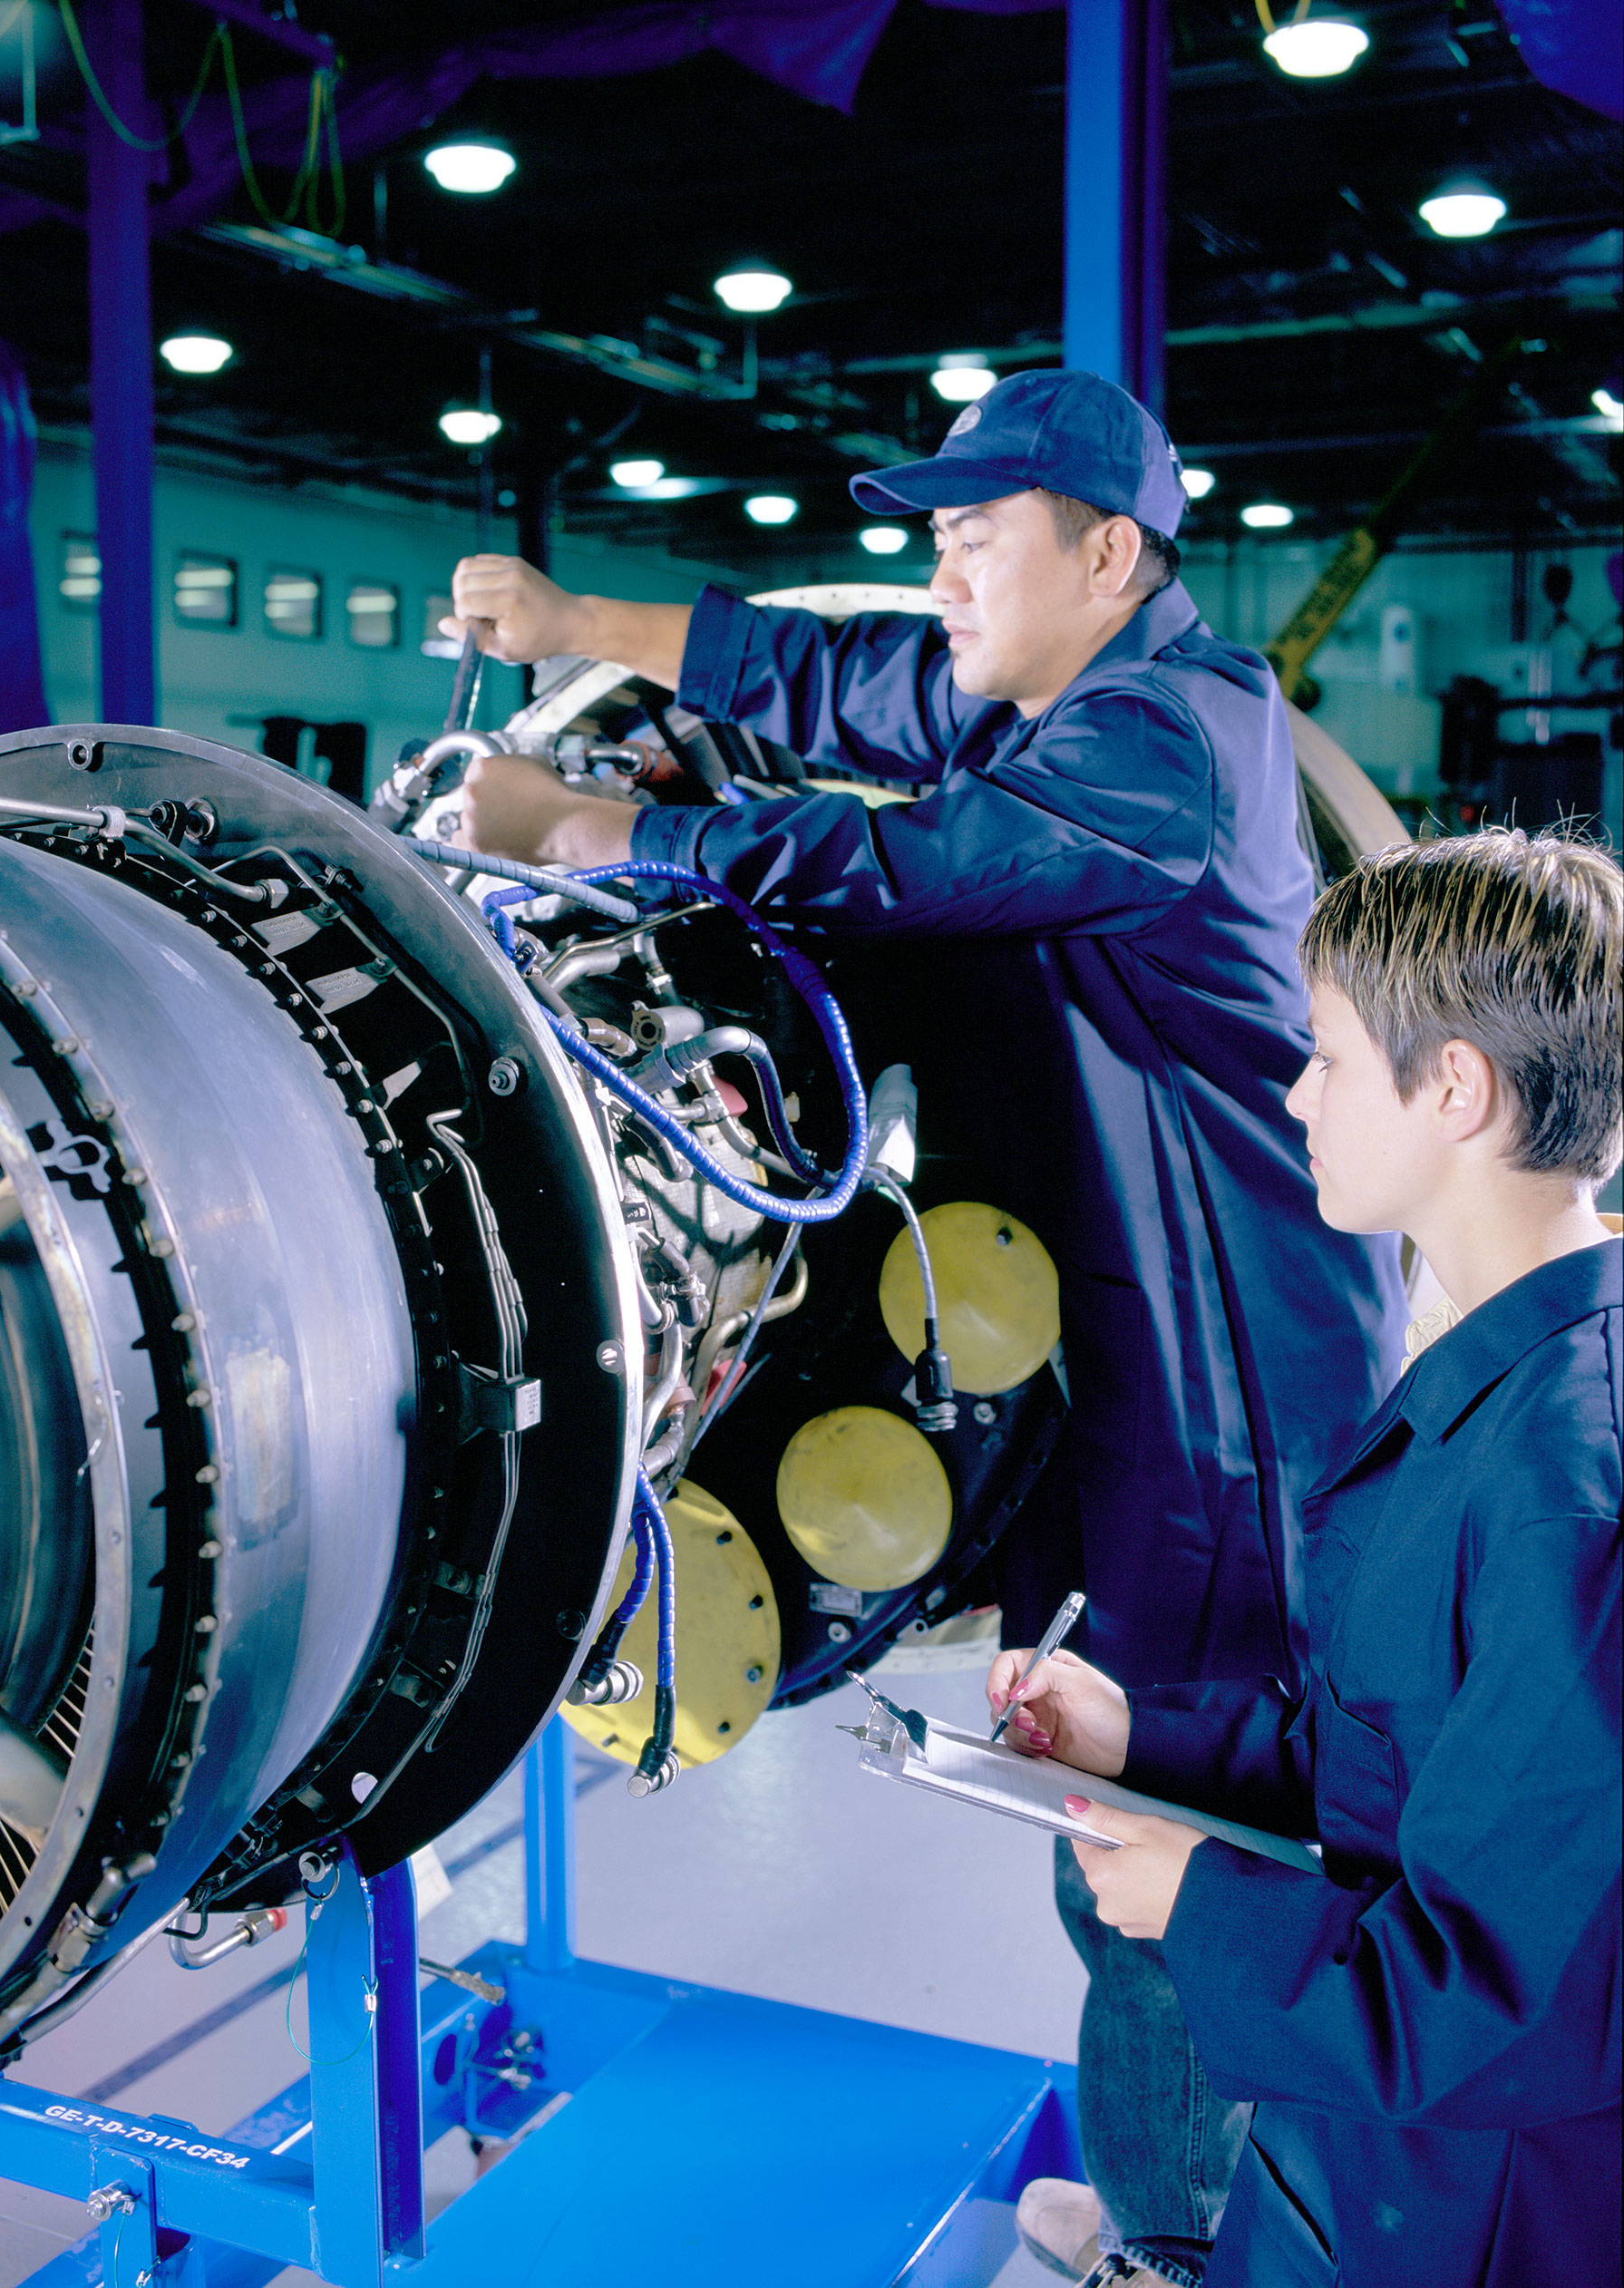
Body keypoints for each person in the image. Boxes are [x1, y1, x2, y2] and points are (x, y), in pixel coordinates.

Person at [443, 369, 1407, 2283]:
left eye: (978, 541)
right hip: (1156, 1374)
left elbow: (913, 866)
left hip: (1233, 1416)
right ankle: (1179, 2198)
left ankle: (1179, 2238)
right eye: (936, 542)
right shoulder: (1077, 693)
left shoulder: (1164, 745)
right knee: (1136, 1813)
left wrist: (595, 831)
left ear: (1107, 554)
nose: (944, 578)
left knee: (1155, 1838)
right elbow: (850, 680)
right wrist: (570, 630)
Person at [987, 828, 1623, 2286]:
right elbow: (1414, 1757)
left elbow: (1515, 1998)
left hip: (1469, 2214)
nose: (1296, 1093)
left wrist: (1194, 1901)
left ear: (1454, 1086)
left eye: (1328, 1056)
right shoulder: (1504, 1376)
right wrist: (1143, 1737)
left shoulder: (1570, 1490)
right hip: (1371, 2167)